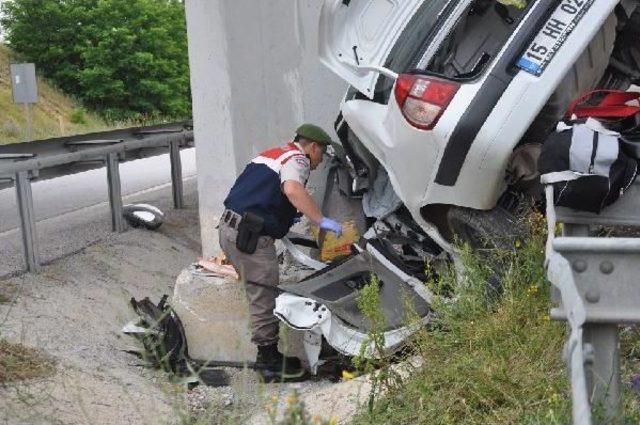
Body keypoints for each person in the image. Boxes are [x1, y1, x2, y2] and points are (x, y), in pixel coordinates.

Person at [218, 123, 343, 382]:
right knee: (263, 293)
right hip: (249, 234)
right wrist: (322, 221)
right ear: (313, 147)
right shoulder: (299, 158)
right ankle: (269, 363)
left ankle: (270, 357)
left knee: (259, 289)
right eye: (321, 155)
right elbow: (292, 189)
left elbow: (263, 192)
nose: (319, 163)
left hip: (231, 227)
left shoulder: (275, 153)